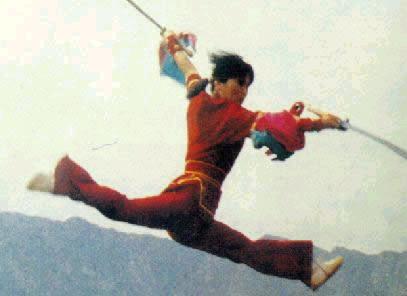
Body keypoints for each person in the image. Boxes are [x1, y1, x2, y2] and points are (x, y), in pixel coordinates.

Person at [27, 30, 344, 291]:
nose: (244, 92)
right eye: (239, 84)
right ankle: (66, 181)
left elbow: (187, 70)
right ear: (219, 83)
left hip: (196, 218)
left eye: (247, 86)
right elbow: (278, 125)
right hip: (189, 202)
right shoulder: (231, 115)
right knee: (125, 208)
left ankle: (307, 269)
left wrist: (174, 46)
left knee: (243, 249)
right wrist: (322, 123)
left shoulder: (199, 98)